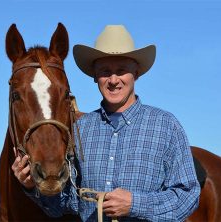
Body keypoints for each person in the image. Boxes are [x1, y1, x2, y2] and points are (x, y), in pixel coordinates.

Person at [12, 25, 201, 221]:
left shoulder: (166, 126)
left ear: (136, 73)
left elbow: (188, 196)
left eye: (121, 70)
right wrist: (31, 186)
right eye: (105, 71)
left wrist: (134, 204)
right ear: (94, 76)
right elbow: (65, 204)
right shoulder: (79, 130)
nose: (113, 80)